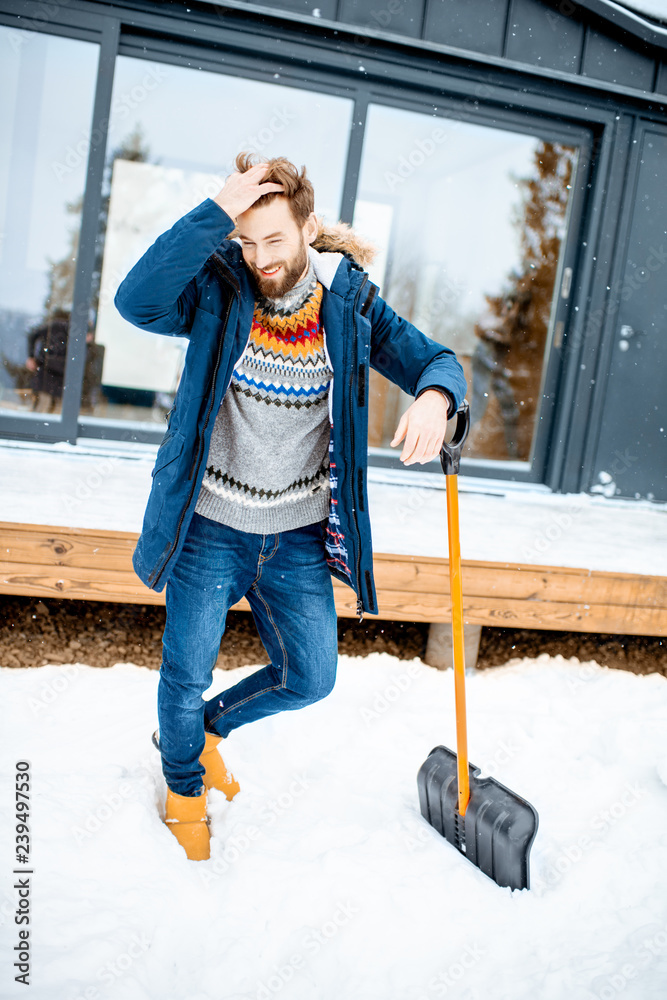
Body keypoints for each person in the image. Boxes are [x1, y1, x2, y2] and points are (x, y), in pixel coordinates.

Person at [115, 153, 466, 860]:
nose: (260, 257)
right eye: (245, 241)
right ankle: (184, 783)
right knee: (184, 671)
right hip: (208, 525)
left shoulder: (349, 304)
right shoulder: (217, 289)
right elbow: (137, 301)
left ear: (306, 226)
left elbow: (437, 361)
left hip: (296, 535)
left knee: (309, 677)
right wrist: (216, 212)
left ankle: (200, 731)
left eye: (274, 238)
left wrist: (435, 397)